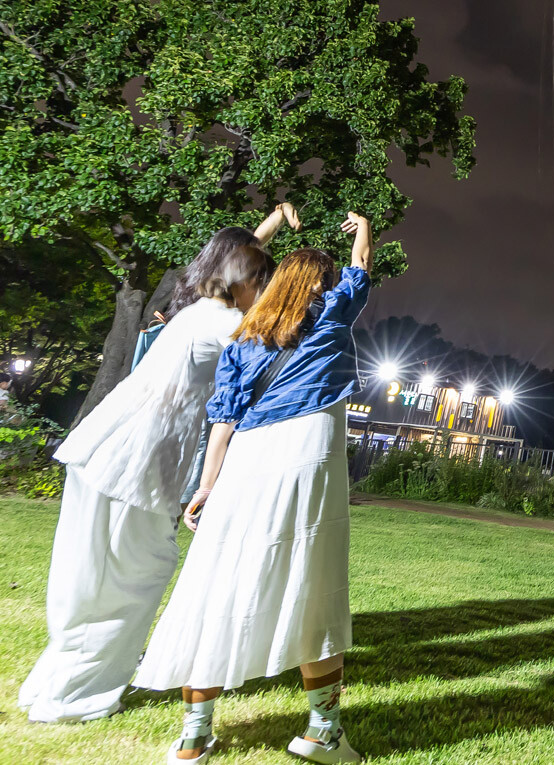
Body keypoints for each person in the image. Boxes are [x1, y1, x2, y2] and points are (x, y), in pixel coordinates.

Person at [18, 206, 296, 724]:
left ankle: (55, 685)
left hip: (101, 447)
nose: (267, 293)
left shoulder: (194, 310)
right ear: (246, 280)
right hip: (140, 463)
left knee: (85, 575)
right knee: (133, 575)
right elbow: (276, 351)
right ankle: (77, 697)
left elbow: (237, 256)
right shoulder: (229, 327)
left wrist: (274, 222)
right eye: (263, 280)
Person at [134, 213, 374, 764]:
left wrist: (205, 487)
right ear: (319, 285)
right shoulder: (333, 316)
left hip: (247, 461)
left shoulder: (244, 339)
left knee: (219, 586)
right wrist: (363, 228)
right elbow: (360, 269)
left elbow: (222, 422)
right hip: (309, 458)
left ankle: (194, 737)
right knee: (315, 588)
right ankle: (322, 732)